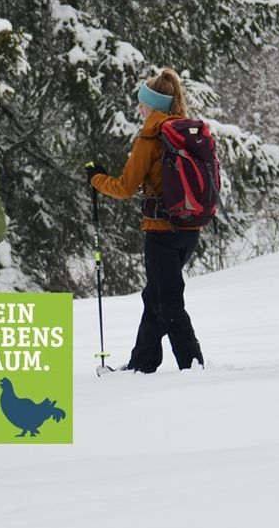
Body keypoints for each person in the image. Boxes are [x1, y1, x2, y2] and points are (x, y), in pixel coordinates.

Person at [87, 68, 204, 373]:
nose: (139, 109)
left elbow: (125, 187)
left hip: (161, 230)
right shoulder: (186, 132)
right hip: (190, 228)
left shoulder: (151, 136)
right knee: (155, 296)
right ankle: (142, 363)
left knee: (168, 301)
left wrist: (96, 179)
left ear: (152, 106)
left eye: (142, 104)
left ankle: (193, 364)